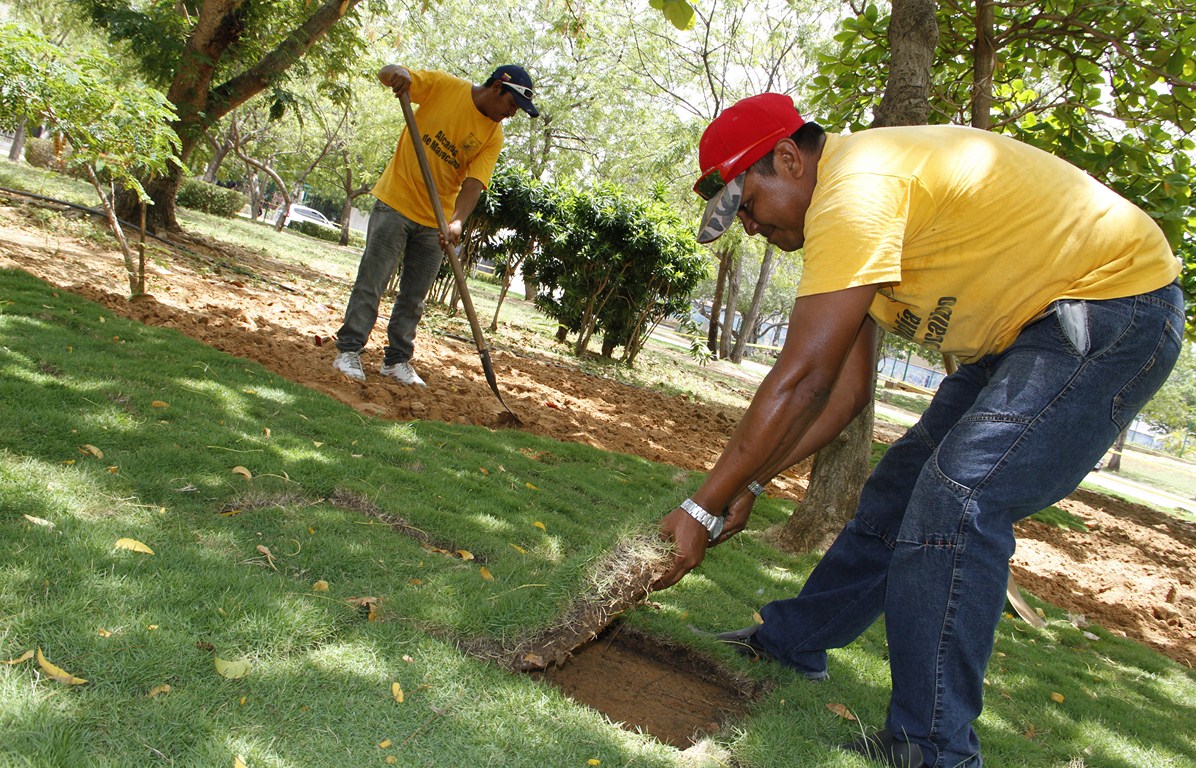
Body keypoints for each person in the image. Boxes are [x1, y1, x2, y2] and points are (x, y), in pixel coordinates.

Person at [652, 93, 1182, 768]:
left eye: (747, 206)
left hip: (1109, 307)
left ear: (788, 158)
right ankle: (792, 642)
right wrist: (748, 481)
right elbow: (844, 395)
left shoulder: (858, 190)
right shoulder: (850, 213)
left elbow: (802, 378)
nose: (749, 229)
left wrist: (702, 504)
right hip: (1024, 332)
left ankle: (932, 749)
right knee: (901, 489)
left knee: (959, 498)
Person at [332, 63, 538, 386]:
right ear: (497, 87)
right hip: (396, 202)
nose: (511, 114)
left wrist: (456, 222)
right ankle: (348, 350)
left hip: (435, 220)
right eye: (512, 105)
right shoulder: (444, 87)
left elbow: (474, 182)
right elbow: (388, 72)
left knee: (414, 297)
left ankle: (396, 360)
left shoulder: (493, 135)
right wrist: (396, 76)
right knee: (373, 280)